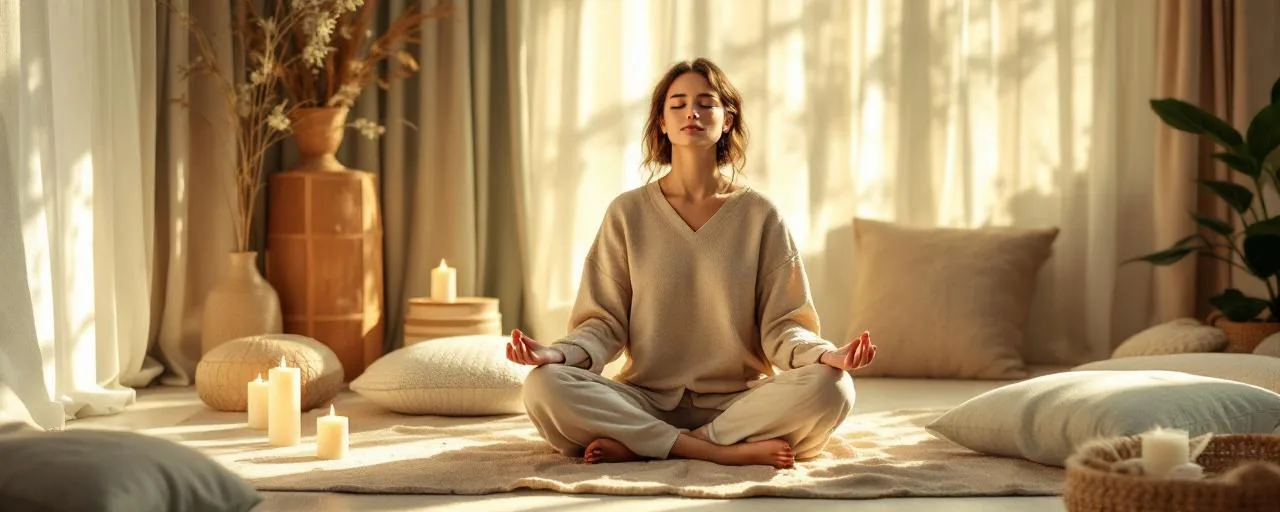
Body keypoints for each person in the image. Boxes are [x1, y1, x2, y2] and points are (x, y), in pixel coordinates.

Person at [506, 58, 877, 470]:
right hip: (644, 399)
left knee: (834, 387)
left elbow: (784, 326)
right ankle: (713, 450)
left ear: (727, 120)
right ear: (662, 123)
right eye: (678, 104)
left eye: (706, 103)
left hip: (738, 403)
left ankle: (651, 444)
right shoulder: (627, 213)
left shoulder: (761, 216)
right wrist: (557, 355)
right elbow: (603, 324)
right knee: (543, 386)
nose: (692, 113)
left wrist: (826, 356)